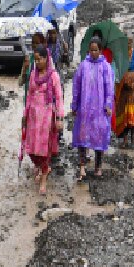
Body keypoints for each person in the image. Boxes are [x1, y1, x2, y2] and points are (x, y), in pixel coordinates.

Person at [70, 36, 114, 181]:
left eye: (96, 50)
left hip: (100, 110)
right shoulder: (83, 65)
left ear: (101, 51)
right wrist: (74, 104)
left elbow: (109, 87)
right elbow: (76, 85)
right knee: (82, 135)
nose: (94, 52)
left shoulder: (106, 67)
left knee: (99, 135)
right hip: (85, 109)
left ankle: (98, 166)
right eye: (91, 50)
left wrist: (108, 105)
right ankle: (82, 166)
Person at [22, 47, 64, 195]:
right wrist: (25, 115)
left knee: (44, 149)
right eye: (36, 59)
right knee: (32, 150)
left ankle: (44, 178)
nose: (38, 61)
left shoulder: (53, 76)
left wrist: (59, 118)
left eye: (40, 58)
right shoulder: (33, 75)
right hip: (33, 117)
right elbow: (29, 96)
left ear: (47, 58)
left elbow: (59, 97)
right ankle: (41, 166)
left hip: (47, 117)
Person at [112, 37, 134, 149]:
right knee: (123, 112)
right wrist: (120, 81)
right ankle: (124, 138)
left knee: (132, 111)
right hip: (122, 88)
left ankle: (133, 136)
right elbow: (116, 70)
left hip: (132, 88)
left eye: (129, 42)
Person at [18, 31, 47, 102]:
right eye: (33, 42)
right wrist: (25, 69)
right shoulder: (29, 60)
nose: (34, 45)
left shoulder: (47, 61)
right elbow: (20, 83)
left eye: (37, 43)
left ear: (43, 44)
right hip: (29, 102)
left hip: (42, 103)